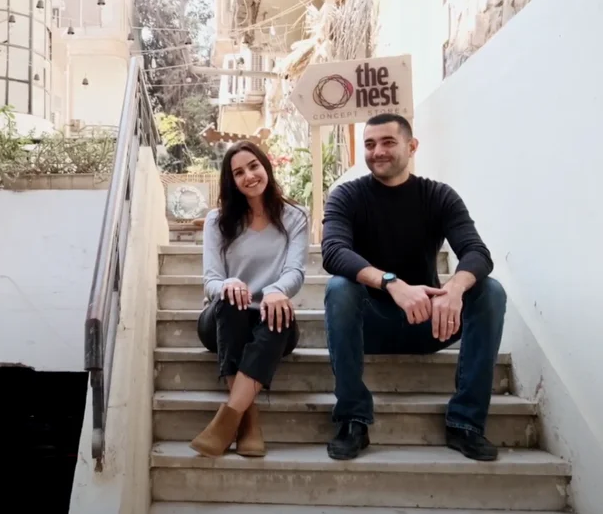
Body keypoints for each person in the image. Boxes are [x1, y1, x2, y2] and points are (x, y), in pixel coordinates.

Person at [321, 113, 507, 462]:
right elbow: (333, 251)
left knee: (490, 291)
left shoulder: (438, 196)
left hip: (428, 323)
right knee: (339, 288)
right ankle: (352, 419)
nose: (378, 151)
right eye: (370, 144)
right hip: (369, 326)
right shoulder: (347, 196)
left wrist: (454, 289)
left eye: (388, 142)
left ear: (411, 146)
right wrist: (391, 283)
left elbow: (477, 252)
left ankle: (465, 423)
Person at [191, 141, 309, 458]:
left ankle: (230, 420)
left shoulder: (295, 216)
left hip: (272, 321)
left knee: (277, 312)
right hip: (222, 319)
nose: (249, 176)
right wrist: (227, 284)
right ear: (232, 181)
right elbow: (210, 280)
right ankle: (248, 421)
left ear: (265, 167)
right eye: (239, 172)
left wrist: (275, 291)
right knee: (232, 302)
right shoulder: (217, 220)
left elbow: (295, 271)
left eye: (253, 166)